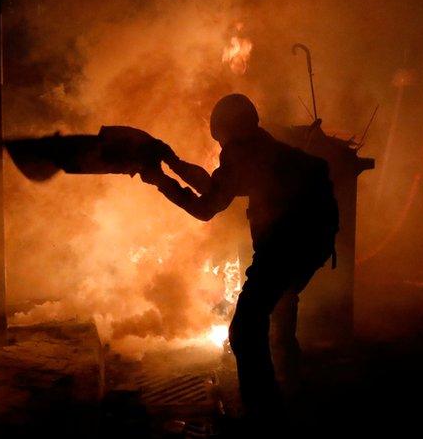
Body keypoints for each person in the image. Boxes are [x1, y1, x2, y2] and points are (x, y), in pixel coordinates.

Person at [139, 93, 339, 421]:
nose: (220, 146)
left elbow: (206, 207)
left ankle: (262, 412)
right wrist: (173, 163)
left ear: (228, 131)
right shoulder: (264, 147)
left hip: (284, 247)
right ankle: (293, 391)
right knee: (282, 310)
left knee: (245, 330)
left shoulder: (244, 154)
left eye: (219, 137)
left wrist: (161, 180)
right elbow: (218, 186)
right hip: (312, 242)